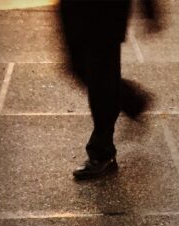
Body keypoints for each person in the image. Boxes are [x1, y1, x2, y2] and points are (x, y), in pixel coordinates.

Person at [59, 0, 160, 180]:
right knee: (78, 66)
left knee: (100, 76)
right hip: (74, 6)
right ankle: (131, 100)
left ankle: (102, 151)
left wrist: (149, 9)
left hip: (107, 10)